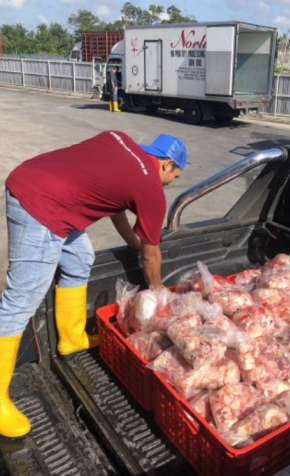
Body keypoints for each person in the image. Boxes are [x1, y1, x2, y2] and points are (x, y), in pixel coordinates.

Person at [0, 131, 186, 437]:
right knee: (21, 300)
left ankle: (71, 339)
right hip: (39, 206)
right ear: (166, 164)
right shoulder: (151, 187)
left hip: (37, 182)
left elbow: (114, 204)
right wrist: (158, 292)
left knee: (80, 259)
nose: (168, 184)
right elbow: (152, 255)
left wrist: (132, 243)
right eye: (173, 177)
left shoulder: (120, 141)